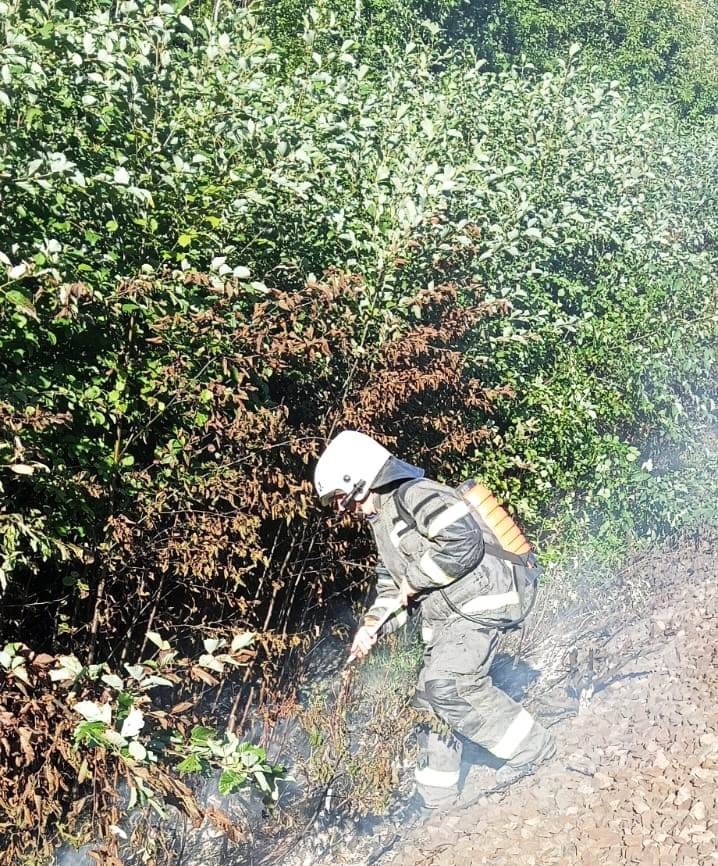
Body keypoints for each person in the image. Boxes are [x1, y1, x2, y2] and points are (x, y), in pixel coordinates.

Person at [313, 430, 555, 817]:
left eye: (340, 500)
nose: (343, 510)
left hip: (482, 601)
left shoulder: (415, 493)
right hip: (452, 616)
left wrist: (415, 580)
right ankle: (437, 803)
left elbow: (462, 540)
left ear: (356, 480)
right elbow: (395, 587)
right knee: (427, 698)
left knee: (448, 684)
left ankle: (536, 751)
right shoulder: (384, 523)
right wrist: (372, 626)